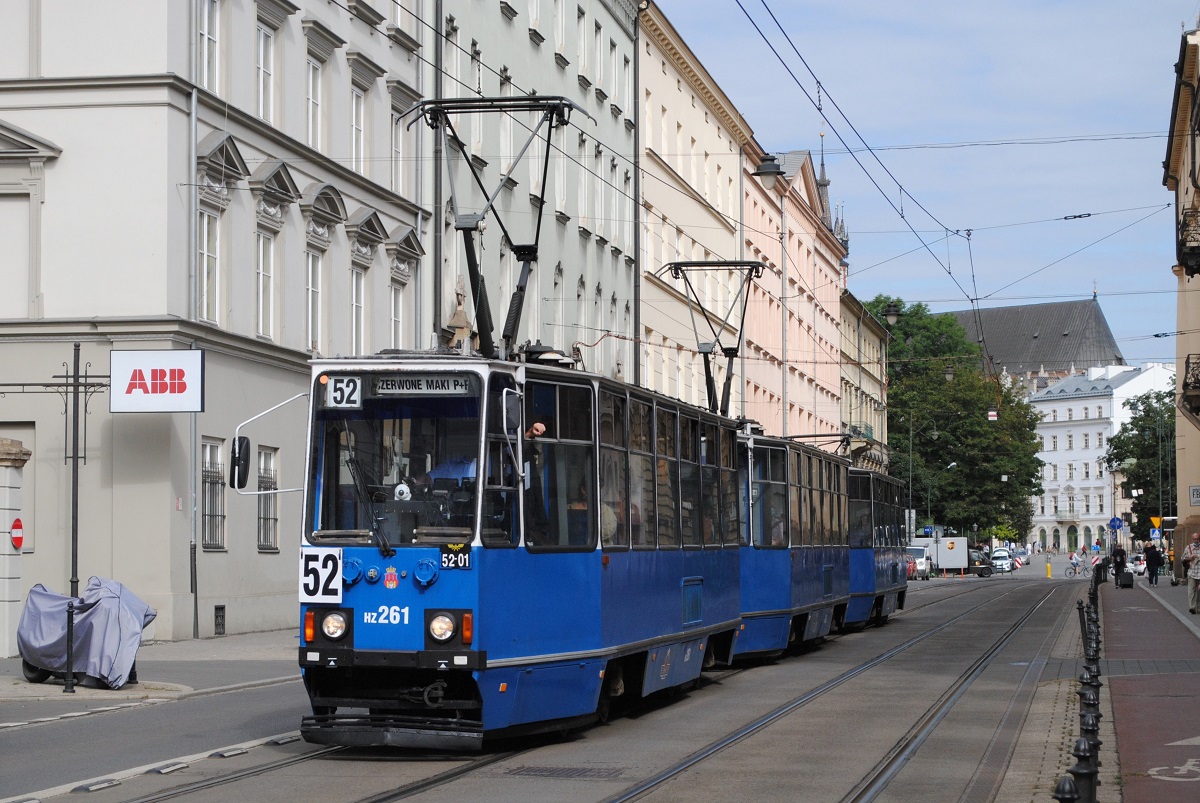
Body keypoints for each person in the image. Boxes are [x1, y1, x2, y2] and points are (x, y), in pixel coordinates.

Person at [1183, 531, 1200, 614]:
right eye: (1194, 539)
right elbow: (1183, 558)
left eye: (1197, 539)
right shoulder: (1188, 547)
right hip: (1192, 572)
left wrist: (1197, 556)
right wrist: (1190, 558)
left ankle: (1198, 608)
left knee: (1199, 592)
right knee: (1191, 590)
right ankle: (1192, 607)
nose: (1196, 541)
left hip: (1199, 573)